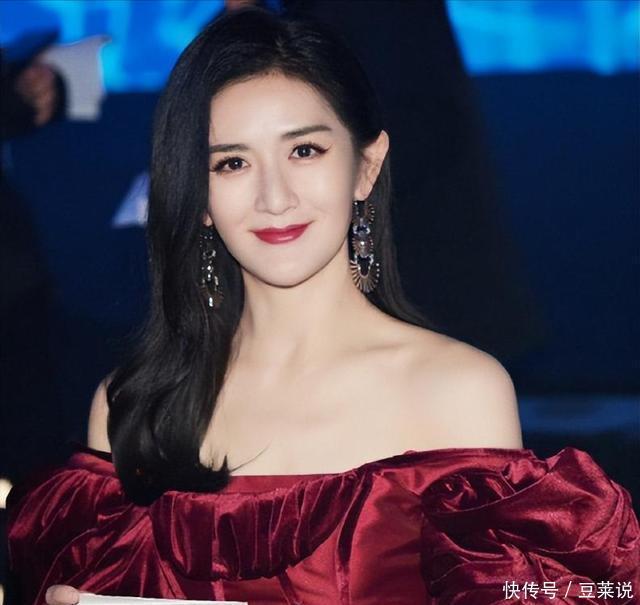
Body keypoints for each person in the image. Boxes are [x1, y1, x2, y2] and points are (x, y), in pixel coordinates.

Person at [6, 7, 638, 604]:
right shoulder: (133, 404)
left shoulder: (455, 389)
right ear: (195, 194)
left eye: (304, 151)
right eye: (232, 163)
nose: (274, 197)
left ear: (366, 165)